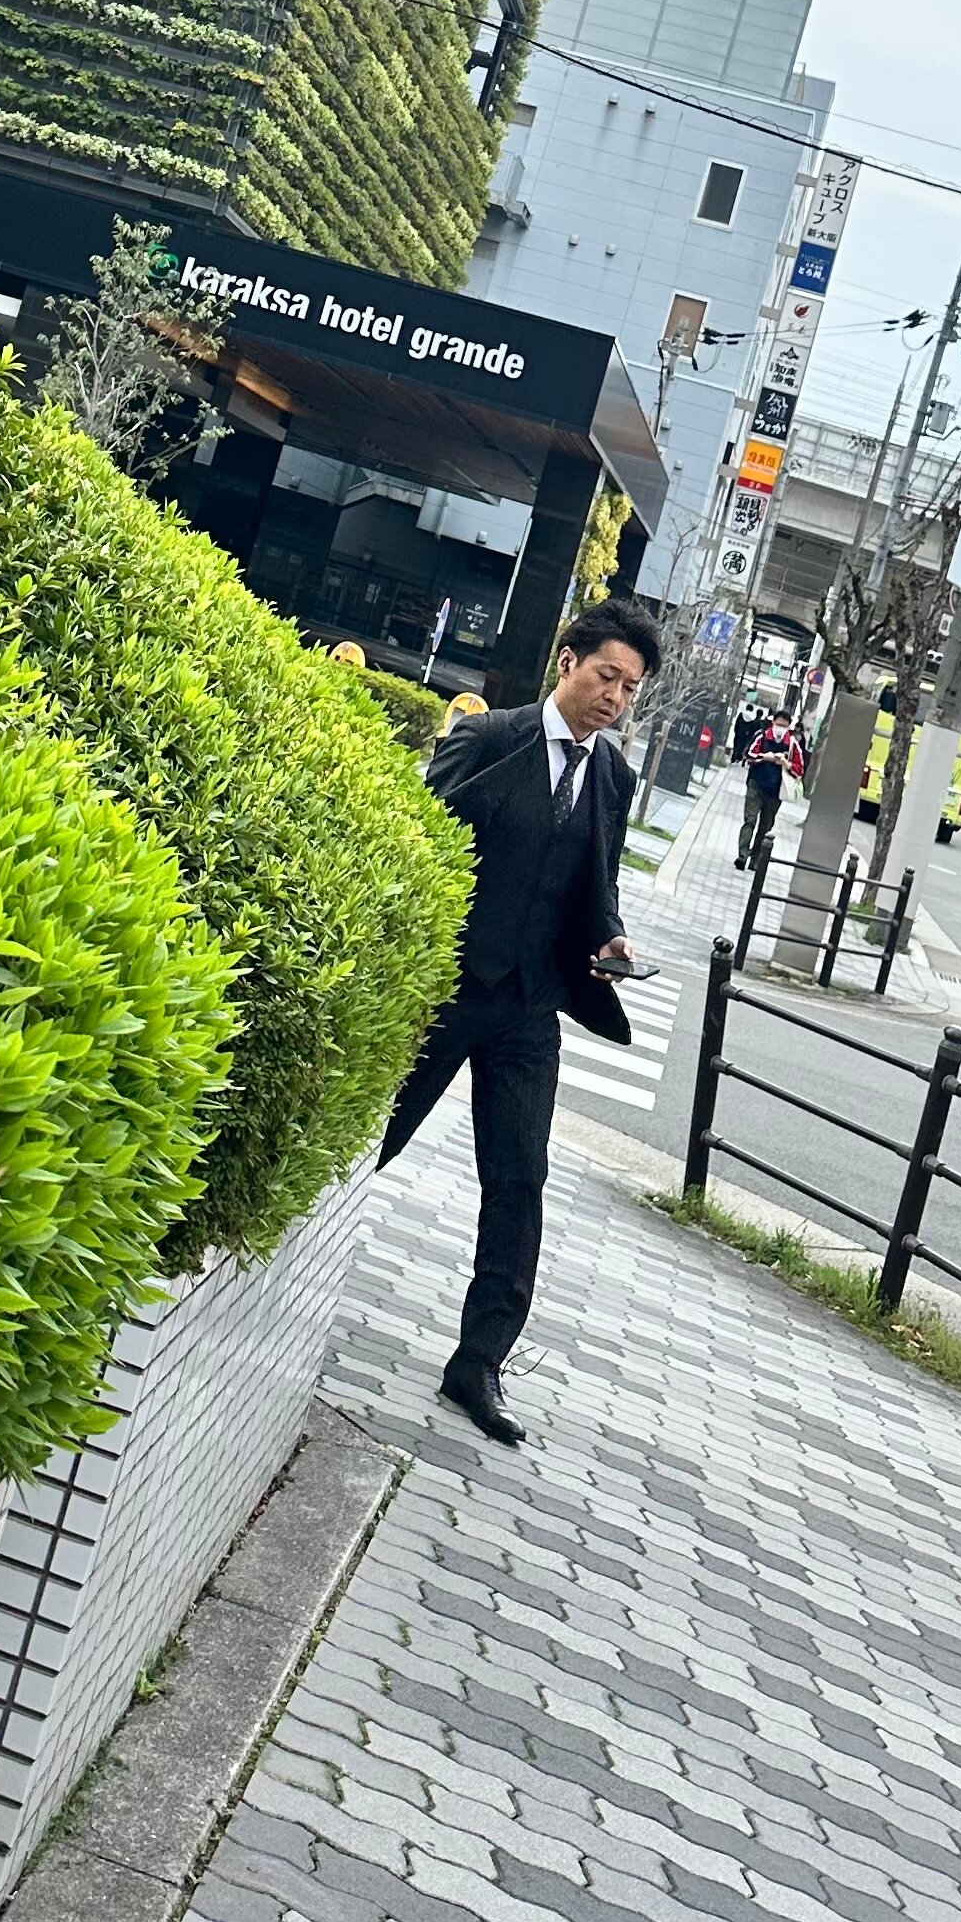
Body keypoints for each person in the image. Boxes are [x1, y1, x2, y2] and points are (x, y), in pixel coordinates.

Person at [380, 597, 660, 1447]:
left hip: (533, 1005)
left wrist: (610, 936)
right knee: (375, 1133)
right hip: (451, 989)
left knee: (519, 1179)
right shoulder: (488, 738)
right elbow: (420, 847)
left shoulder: (612, 778)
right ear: (567, 662)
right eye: (607, 676)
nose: (615, 698)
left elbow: (596, 884)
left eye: (631, 688)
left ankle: (480, 1361)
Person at [736, 709, 800, 870]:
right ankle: (742, 855)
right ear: (773, 723)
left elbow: (799, 769)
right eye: (778, 724)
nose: (780, 729)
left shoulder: (792, 745)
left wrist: (786, 764)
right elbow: (749, 754)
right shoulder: (762, 736)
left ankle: (755, 859)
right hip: (756, 784)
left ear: (789, 727)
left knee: (765, 827)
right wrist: (764, 757)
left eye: (784, 726)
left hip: (775, 791)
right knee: (750, 820)